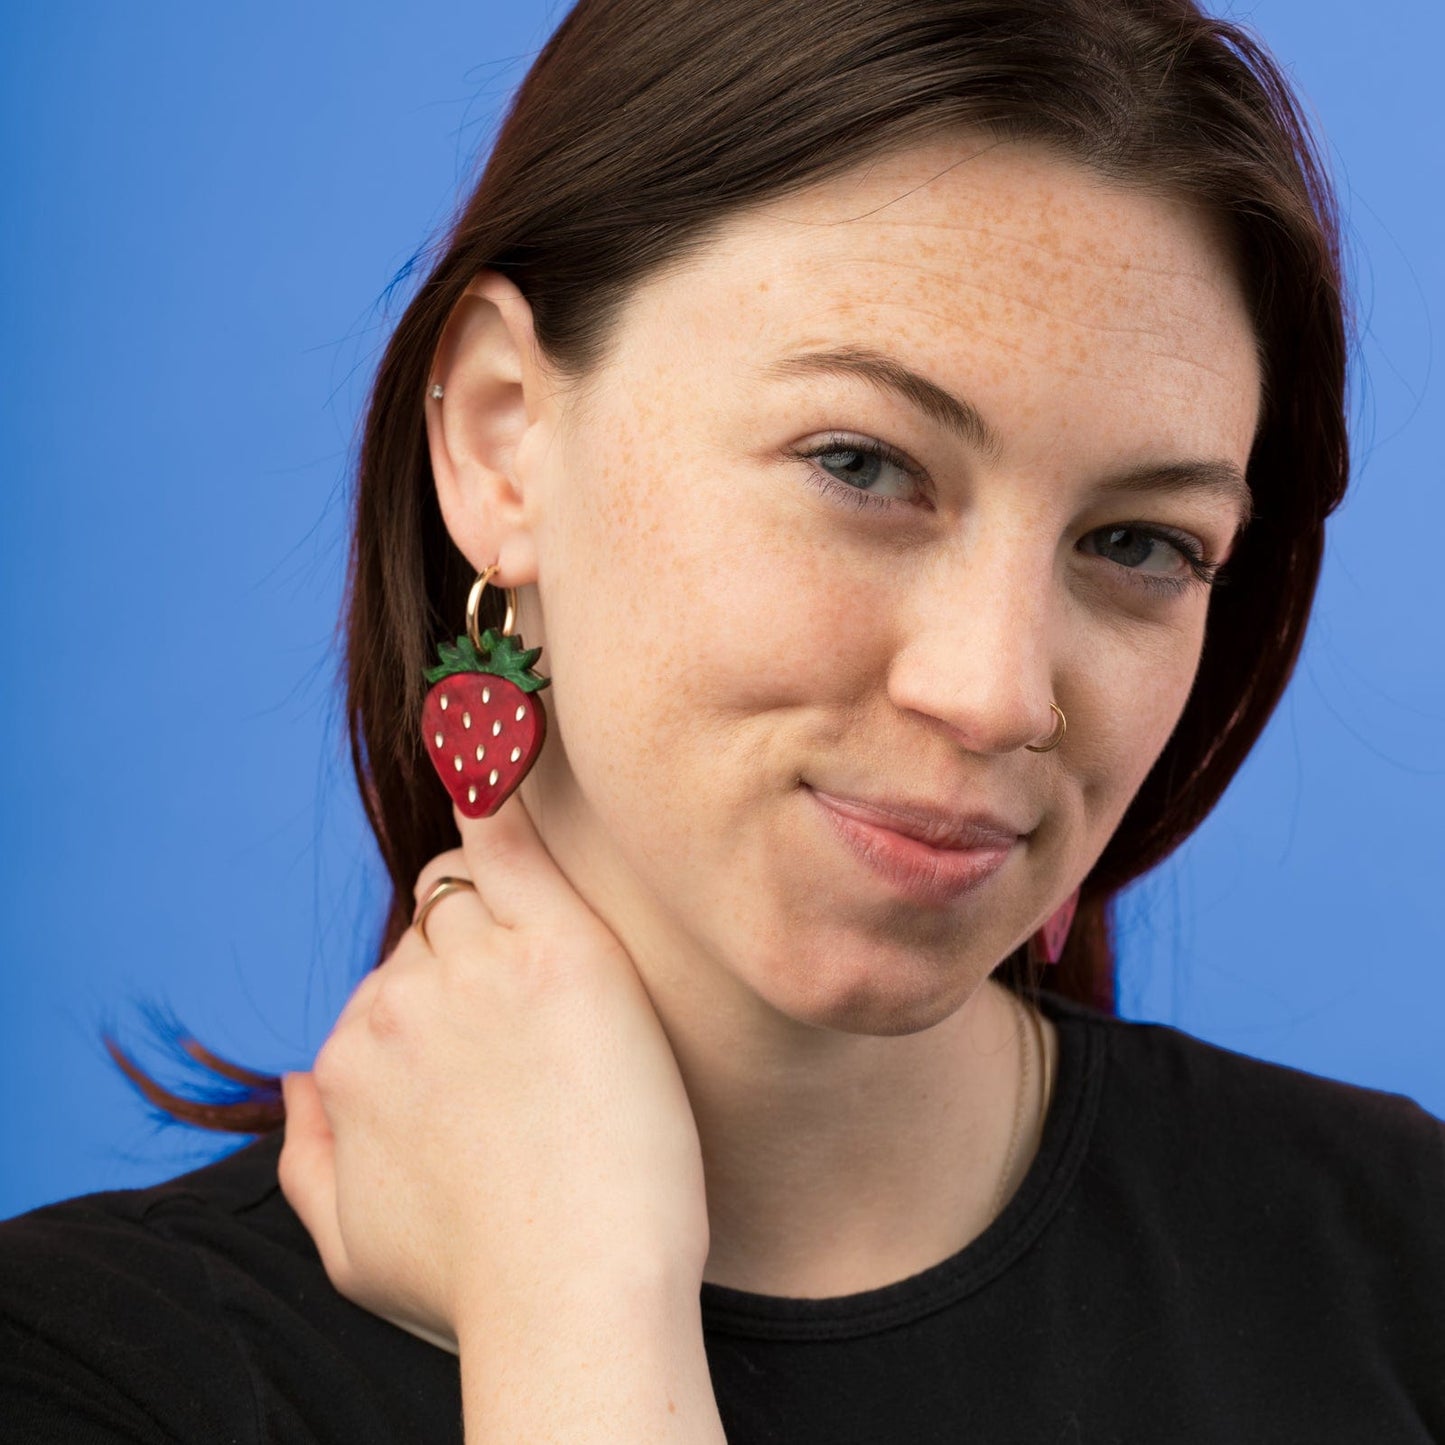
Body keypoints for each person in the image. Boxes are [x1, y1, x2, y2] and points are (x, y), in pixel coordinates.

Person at [3, 0, 1442, 1439]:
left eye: (1139, 545)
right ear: (502, 435)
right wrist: (571, 1301)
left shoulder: (1405, 1262)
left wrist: (577, 1334)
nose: (999, 693)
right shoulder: (84, 1375)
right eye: (859, 464)